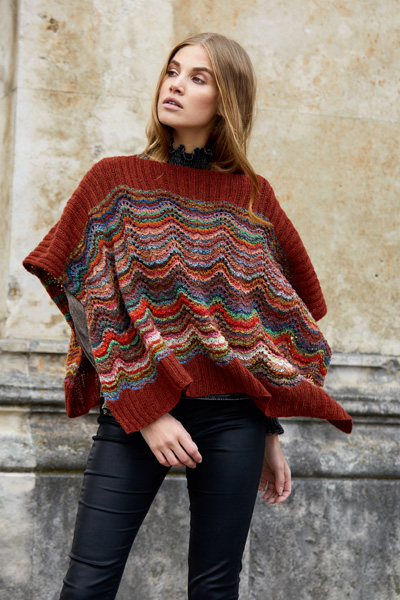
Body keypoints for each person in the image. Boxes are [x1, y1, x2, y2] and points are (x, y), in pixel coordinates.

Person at [23, 32, 352, 600]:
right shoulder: (114, 182)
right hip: (139, 407)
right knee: (86, 586)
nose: (174, 85)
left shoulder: (253, 198)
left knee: (216, 588)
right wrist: (148, 410)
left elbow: (268, 321)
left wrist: (269, 430)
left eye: (198, 78)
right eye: (173, 71)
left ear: (226, 101)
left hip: (234, 420)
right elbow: (85, 300)